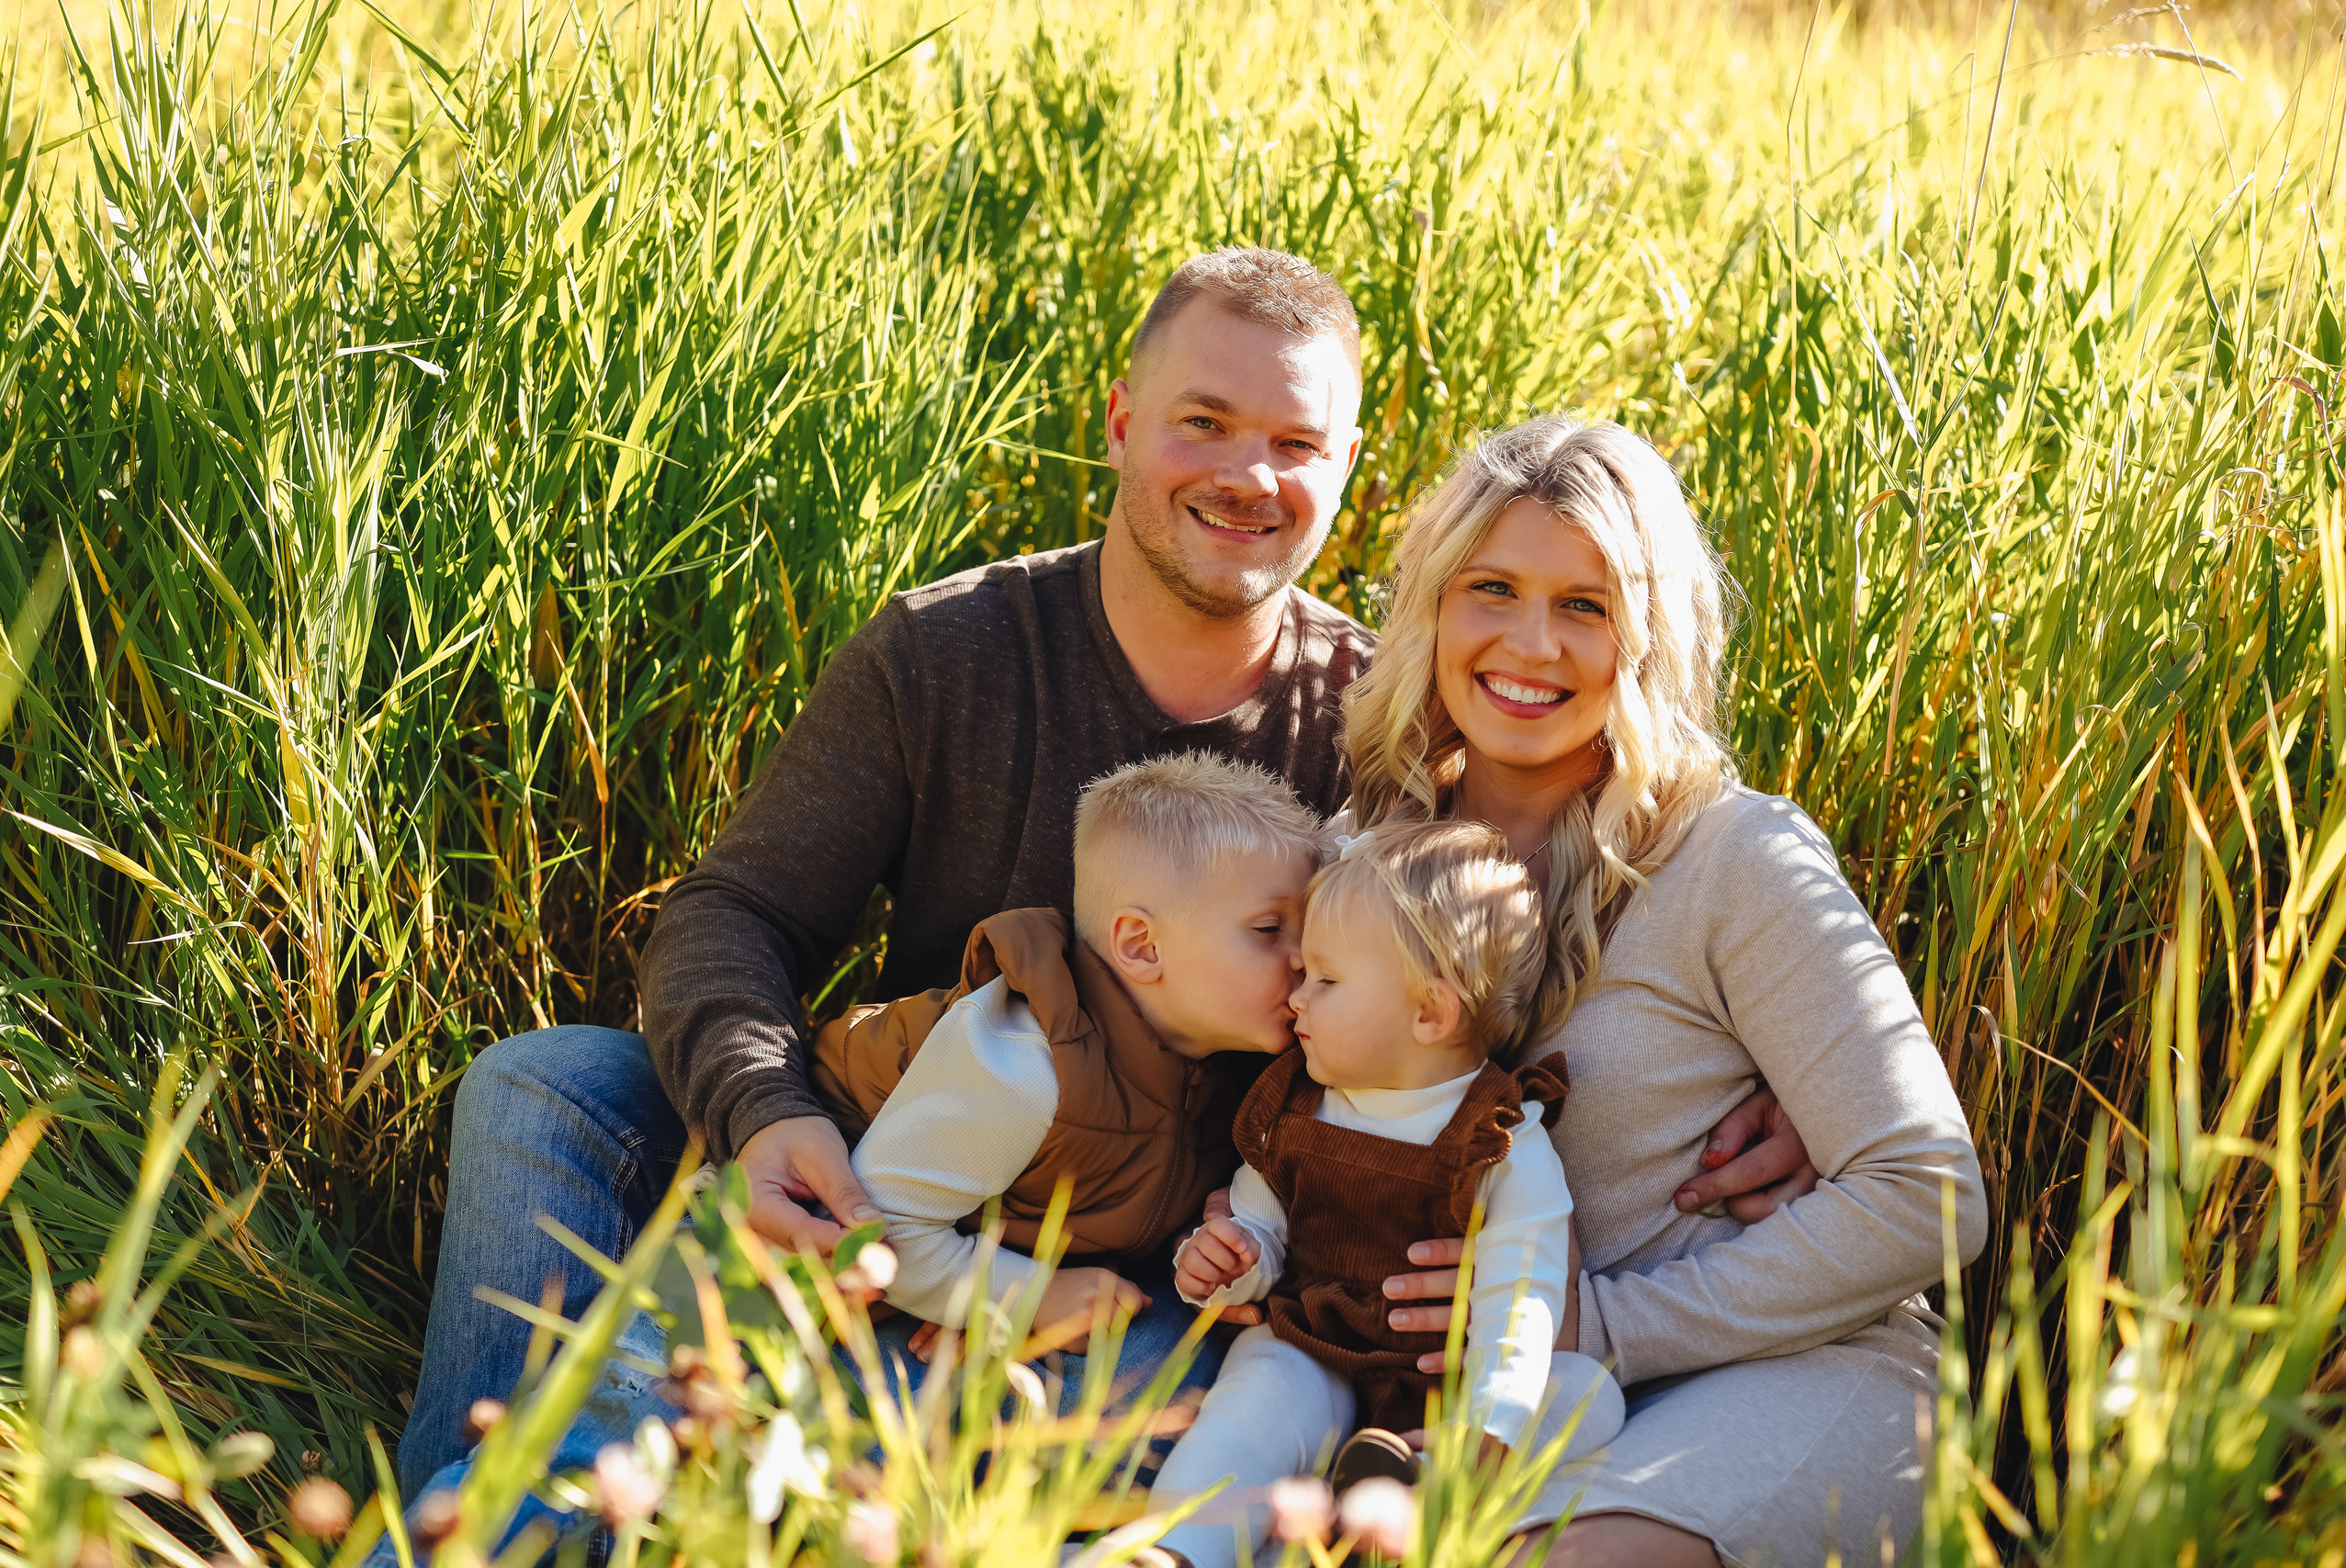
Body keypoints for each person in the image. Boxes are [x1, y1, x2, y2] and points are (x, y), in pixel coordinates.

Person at [389, 247, 1822, 1551]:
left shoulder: (1380, 732)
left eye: (1295, 444)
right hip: (906, 1153)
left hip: (1160, 1275)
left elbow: (1506, 929)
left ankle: (691, 1454)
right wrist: (767, 1118)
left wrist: (1769, 1096)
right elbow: (737, 913)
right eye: (1206, 421)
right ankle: (477, 1518)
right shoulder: (948, 653)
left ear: (1346, 473)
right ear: (1124, 420)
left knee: (1110, 1441)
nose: (1249, 474)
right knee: (550, 1083)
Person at [1338, 414, 1989, 1567]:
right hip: (1491, 1406)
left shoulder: (1738, 856)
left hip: (1778, 1376)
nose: (1531, 643)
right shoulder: (1367, 852)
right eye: (1492, 587)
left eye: (1586, 605)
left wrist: (1594, 1320)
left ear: (1647, 634)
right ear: (1435, 602)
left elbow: (1925, 1193)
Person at [1145, 820, 1622, 1568]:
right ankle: (1178, 1547)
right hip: (1318, 1350)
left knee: (1585, 1393)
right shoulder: (1296, 1102)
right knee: (1258, 1396)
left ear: (1430, 1011)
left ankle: (1426, 1486)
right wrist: (1233, 1256)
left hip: (1449, 1384)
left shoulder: (1500, 1139)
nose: (1295, 997)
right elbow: (1262, 1223)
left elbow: (1523, 1294)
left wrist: (1492, 1418)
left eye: (1325, 981)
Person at [807, 752, 1322, 1351]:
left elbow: (1127, 1178)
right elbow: (877, 1226)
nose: (1304, 957)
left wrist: (1200, 1242)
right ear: (1142, 946)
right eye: (1268, 929)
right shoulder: (1023, 1066)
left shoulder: (1211, 1065)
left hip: (954, 1234)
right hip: (817, 1209)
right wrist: (1032, 1296)